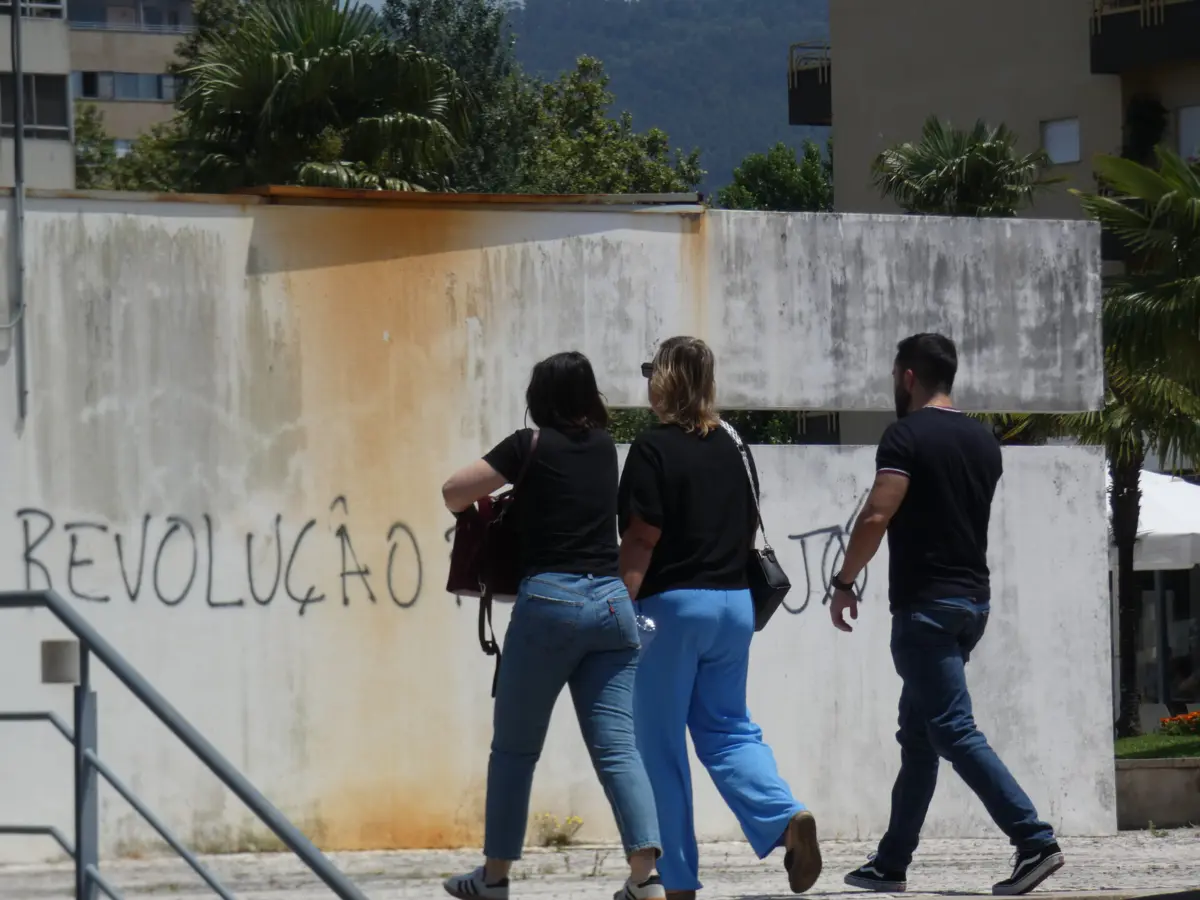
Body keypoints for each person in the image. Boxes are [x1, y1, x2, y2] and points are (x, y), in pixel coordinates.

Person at [828, 333, 1064, 897]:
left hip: (925, 609)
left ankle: (1034, 840)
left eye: (893, 375)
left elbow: (877, 514)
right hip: (970, 604)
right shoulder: (983, 441)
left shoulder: (905, 436)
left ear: (907, 376)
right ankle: (891, 863)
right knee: (919, 735)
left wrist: (844, 581)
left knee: (953, 730)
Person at [441, 351, 665, 900]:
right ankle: (647, 879)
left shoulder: (528, 445)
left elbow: (453, 491)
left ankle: (493, 879)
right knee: (618, 751)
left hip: (549, 604)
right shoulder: (605, 452)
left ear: (540, 398)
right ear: (589, 395)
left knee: (515, 751)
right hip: (613, 607)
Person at [618, 336, 821, 900]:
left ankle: (675, 883)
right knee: (729, 730)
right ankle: (786, 818)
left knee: (658, 746)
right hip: (733, 606)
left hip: (670, 609)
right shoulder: (735, 442)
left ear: (664, 380)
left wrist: (618, 605)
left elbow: (641, 535)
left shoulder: (652, 448)